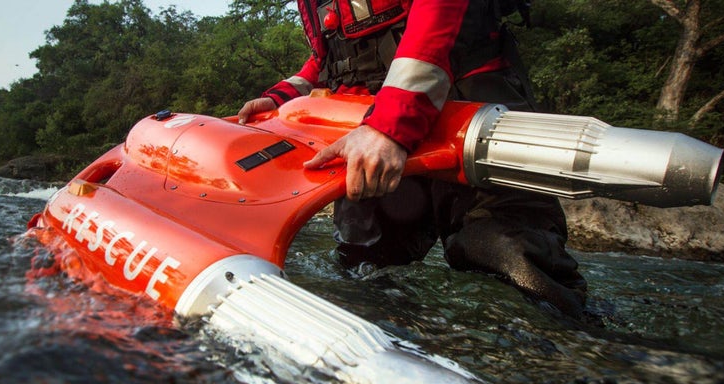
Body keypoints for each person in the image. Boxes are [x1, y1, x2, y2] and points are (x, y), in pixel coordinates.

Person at [237, 0, 588, 318]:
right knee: (365, 268)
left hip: (467, 106)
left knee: (508, 255)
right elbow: (330, 56)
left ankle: (571, 358)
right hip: (366, 126)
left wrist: (391, 124)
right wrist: (285, 96)